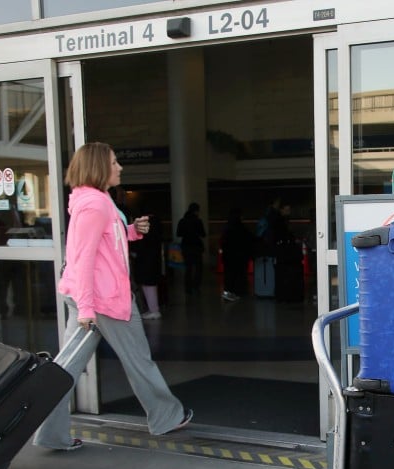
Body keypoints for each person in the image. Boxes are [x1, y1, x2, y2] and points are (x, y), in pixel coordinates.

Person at [33, 142, 192, 451]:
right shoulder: (95, 204)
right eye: (115, 162)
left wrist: (132, 230)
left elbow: (105, 243)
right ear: (99, 167)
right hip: (103, 301)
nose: (120, 167)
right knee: (139, 361)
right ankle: (167, 417)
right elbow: (85, 258)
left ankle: (50, 433)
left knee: (65, 369)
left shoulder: (95, 199)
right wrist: (87, 307)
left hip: (91, 298)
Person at [220, 206, 253, 301]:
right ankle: (238, 292)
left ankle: (229, 292)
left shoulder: (227, 226)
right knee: (239, 274)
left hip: (228, 256)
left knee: (229, 275)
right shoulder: (240, 227)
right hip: (239, 256)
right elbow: (248, 238)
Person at [177, 202, 206, 296]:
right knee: (198, 268)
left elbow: (178, 233)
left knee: (188, 268)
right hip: (196, 246)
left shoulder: (182, 221)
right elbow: (203, 234)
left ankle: (188, 288)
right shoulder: (198, 221)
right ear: (196, 211)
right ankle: (196, 286)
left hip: (186, 246)